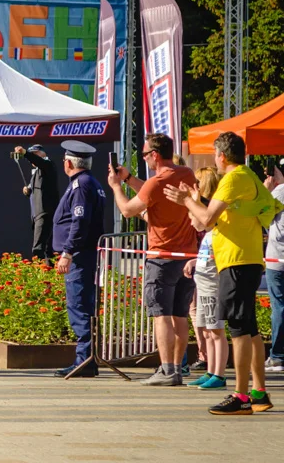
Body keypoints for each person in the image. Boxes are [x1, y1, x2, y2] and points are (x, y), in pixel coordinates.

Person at [165, 131, 275, 415]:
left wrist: (187, 201)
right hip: (245, 259)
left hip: (236, 261)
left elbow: (205, 219)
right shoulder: (248, 176)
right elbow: (214, 219)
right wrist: (197, 199)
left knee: (239, 329)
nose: (214, 160)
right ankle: (258, 392)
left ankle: (241, 396)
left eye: (215, 155)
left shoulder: (232, 178)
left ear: (222, 156)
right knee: (249, 329)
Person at [106, 133, 199, 386]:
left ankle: (167, 370)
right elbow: (151, 193)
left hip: (162, 257)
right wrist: (128, 178)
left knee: (161, 315)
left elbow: (128, 210)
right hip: (187, 256)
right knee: (180, 316)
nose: (145, 158)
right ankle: (176, 369)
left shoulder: (156, 181)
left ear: (155, 155)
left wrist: (116, 186)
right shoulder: (186, 173)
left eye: (146, 154)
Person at [52, 141, 107, 378]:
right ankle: (87, 360)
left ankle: (84, 361)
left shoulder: (81, 185)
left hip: (80, 256)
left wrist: (67, 252)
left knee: (79, 306)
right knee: (83, 305)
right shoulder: (88, 182)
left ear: (68, 163)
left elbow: (79, 222)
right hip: (84, 254)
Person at [186, 167, 229, 390]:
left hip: (212, 282)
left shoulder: (217, 224)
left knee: (216, 330)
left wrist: (194, 202)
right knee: (206, 330)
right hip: (203, 279)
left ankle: (219, 374)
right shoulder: (210, 231)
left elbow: (200, 223)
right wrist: (195, 261)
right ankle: (211, 370)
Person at [15, 144, 59, 260]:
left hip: (45, 213)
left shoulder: (48, 164)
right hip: (37, 215)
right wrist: (28, 190)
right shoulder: (37, 171)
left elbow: (39, 162)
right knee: (46, 249)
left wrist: (25, 153)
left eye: (35, 154)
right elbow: (39, 188)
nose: (32, 159)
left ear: (42, 153)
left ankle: (40, 270)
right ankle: (48, 269)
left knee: (38, 249)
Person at [264, 166, 284, 373]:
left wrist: (268, 190)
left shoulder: (279, 192)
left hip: (277, 259)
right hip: (277, 258)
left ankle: (277, 356)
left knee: (278, 307)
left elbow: (264, 217)